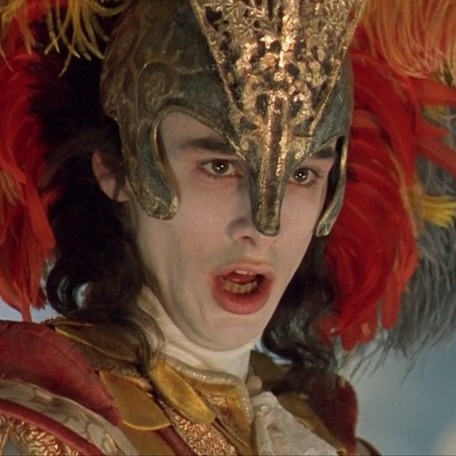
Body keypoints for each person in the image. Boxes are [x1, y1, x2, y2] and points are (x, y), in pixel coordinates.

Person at [0, 0, 455, 454]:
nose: (263, 227)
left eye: (302, 175)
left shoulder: (324, 436)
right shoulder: (39, 431)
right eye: (219, 167)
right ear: (117, 170)